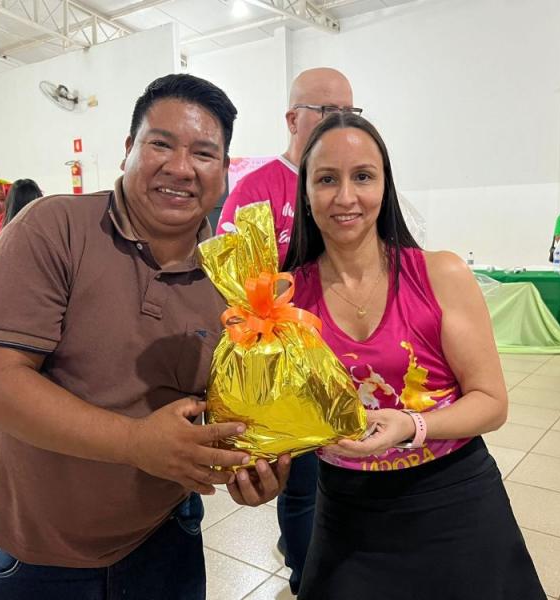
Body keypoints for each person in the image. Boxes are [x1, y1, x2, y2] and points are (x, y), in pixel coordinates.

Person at [0, 74, 290, 599]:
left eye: (204, 153)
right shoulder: (54, 228)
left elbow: (224, 408)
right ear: (127, 150)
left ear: (225, 172)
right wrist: (135, 442)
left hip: (165, 535)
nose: (181, 168)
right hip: (42, 547)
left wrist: (251, 469)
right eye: (160, 143)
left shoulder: (230, 277)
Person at [282, 113, 545, 599]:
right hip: (347, 511)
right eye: (326, 179)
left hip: (454, 500)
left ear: (385, 186)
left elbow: (491, 402)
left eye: (362, 176)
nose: (345, 197)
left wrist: (411, 426)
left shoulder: (438, 274)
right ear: (305, 193)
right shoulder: (288, 298)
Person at [216, 67, 360, 593]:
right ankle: (308, 578)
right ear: (293, 118)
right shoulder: (258, 188)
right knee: (303, 489)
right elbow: (234, 287)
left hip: (352, 363)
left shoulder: (349, 185)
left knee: (349, 476)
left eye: (350, 110)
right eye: (328, 111)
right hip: (288, 370)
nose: (341, 121)